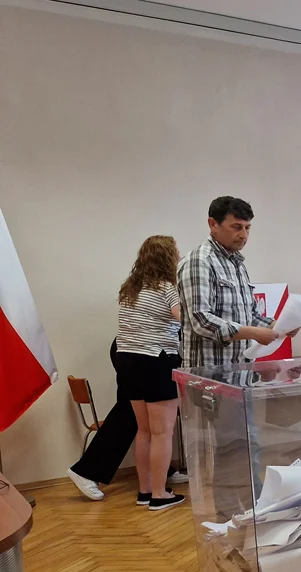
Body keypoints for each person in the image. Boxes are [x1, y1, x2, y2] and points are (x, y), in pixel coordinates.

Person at [112, 236, 187, 511]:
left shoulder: (130, 288)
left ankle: (145, 491)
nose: (179, 257)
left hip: (126, 360)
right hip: (156, 360)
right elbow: (186, 320)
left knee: (144, 431)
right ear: (167, 257)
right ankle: (159, 494)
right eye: (176, 253)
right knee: (162, 432)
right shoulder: (167, 288)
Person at [67, 339, 190, 501]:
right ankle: (87, 471)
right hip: (145, 348)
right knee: (130, 414)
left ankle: (158, 474)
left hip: (138, 348)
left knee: (138, 417)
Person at [177, 196, 279, 367]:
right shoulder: (200, 261)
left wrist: (275, 326)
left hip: (240, 369)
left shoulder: (237, 264)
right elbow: (201, 321)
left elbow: (250, 315)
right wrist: (253, 333)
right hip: (208, 372)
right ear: (213, 224)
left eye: (247, 228)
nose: (244, 235)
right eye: (236, 227)